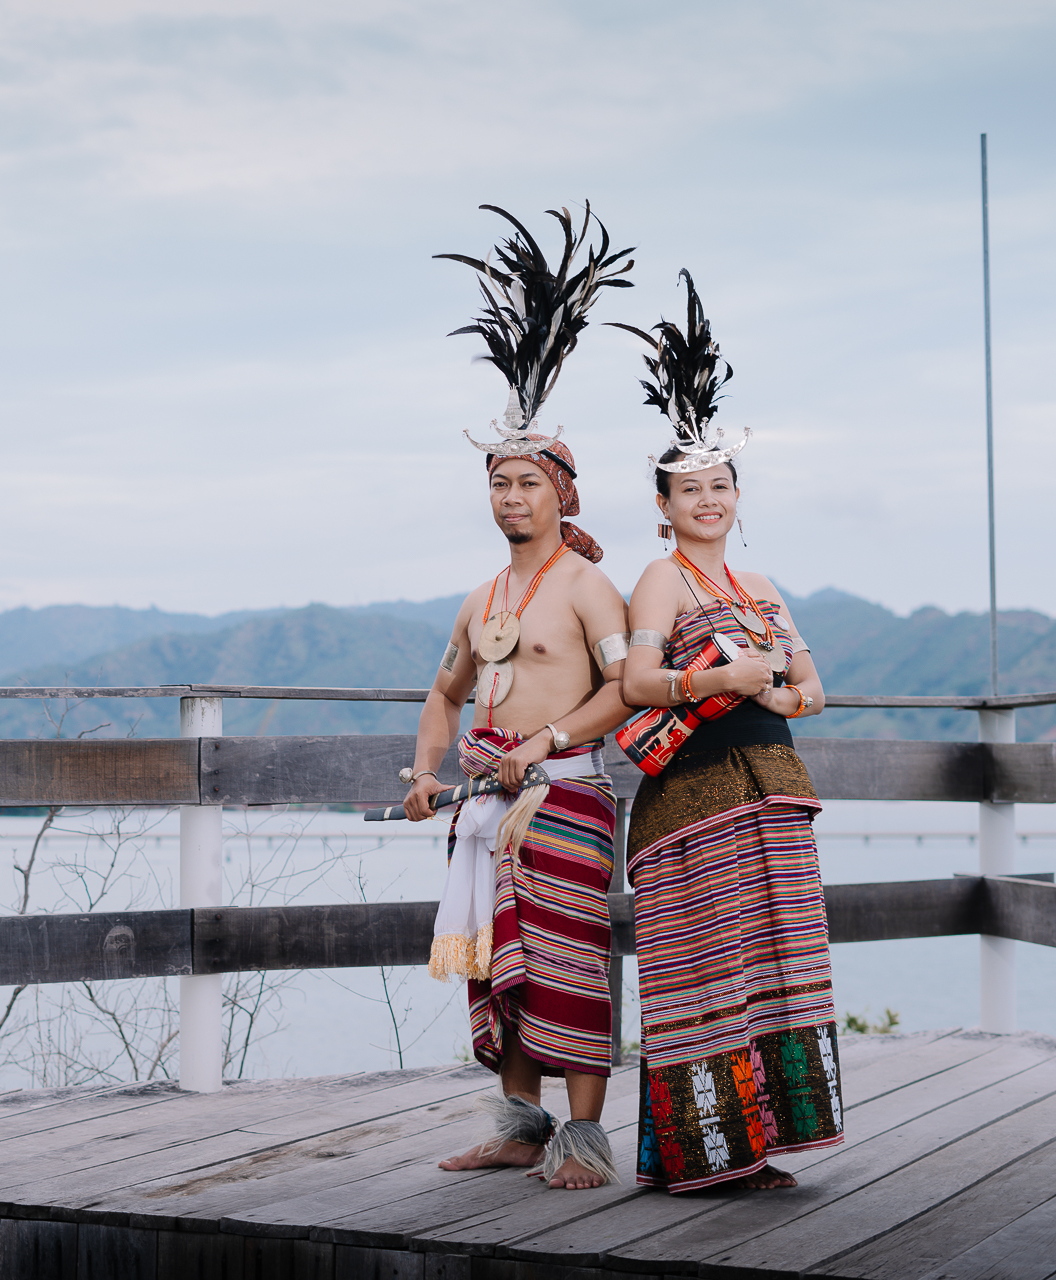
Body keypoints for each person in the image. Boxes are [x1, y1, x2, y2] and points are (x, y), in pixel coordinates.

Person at [408, 202, 639, 1189]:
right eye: (499, 482)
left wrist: (543, 743)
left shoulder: (590, 587)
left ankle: (583, 1139)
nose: (510, 496)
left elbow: (627, 688)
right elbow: (444, 691)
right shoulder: (480, 596)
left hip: (568, 792)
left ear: (561, 494)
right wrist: (423, 771)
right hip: (484, 802)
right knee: (499, 965)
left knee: (570, 960)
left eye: (526, 483)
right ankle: (519, 1125)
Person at [612, 271, 844, 1193]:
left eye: (719, 485)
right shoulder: (660, 578)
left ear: (738, 495)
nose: (707, 500)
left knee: (778, 964)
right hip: (693, 803)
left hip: (774, 791)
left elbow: (812, 683)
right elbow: (634, 684)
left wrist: (785, 698)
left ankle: (761, 1145)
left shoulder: (763, 587)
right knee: (710, 970)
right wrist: (720, 679)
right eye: (689, 489)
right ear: (664, 506)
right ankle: (707, 1154)